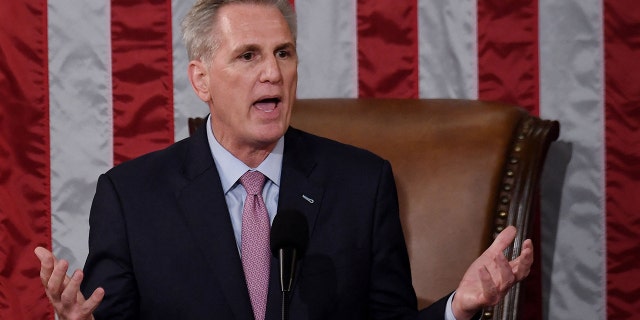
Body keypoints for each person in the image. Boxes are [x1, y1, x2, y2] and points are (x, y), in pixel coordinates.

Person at [34, 0, 533, 319]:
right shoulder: (131, 197)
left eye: (284, 53)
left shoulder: (361, 183)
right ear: (201, 79)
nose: (272, 72)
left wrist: (456, 308)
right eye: (248, 55)